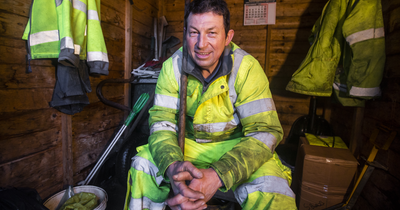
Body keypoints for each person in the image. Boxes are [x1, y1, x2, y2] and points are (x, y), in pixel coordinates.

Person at [124, 0, 297, 209]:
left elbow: (265, 131)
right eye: (194, 32)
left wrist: (218, 174)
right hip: (187, 147)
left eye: (212, 33)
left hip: (235, 149)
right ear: (185, 32)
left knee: (273, 190)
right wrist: (172, 166)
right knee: (142, 166)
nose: (201, 44)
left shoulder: (247, 68)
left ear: (228, 37)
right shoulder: (172, 67)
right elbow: (162, 124)